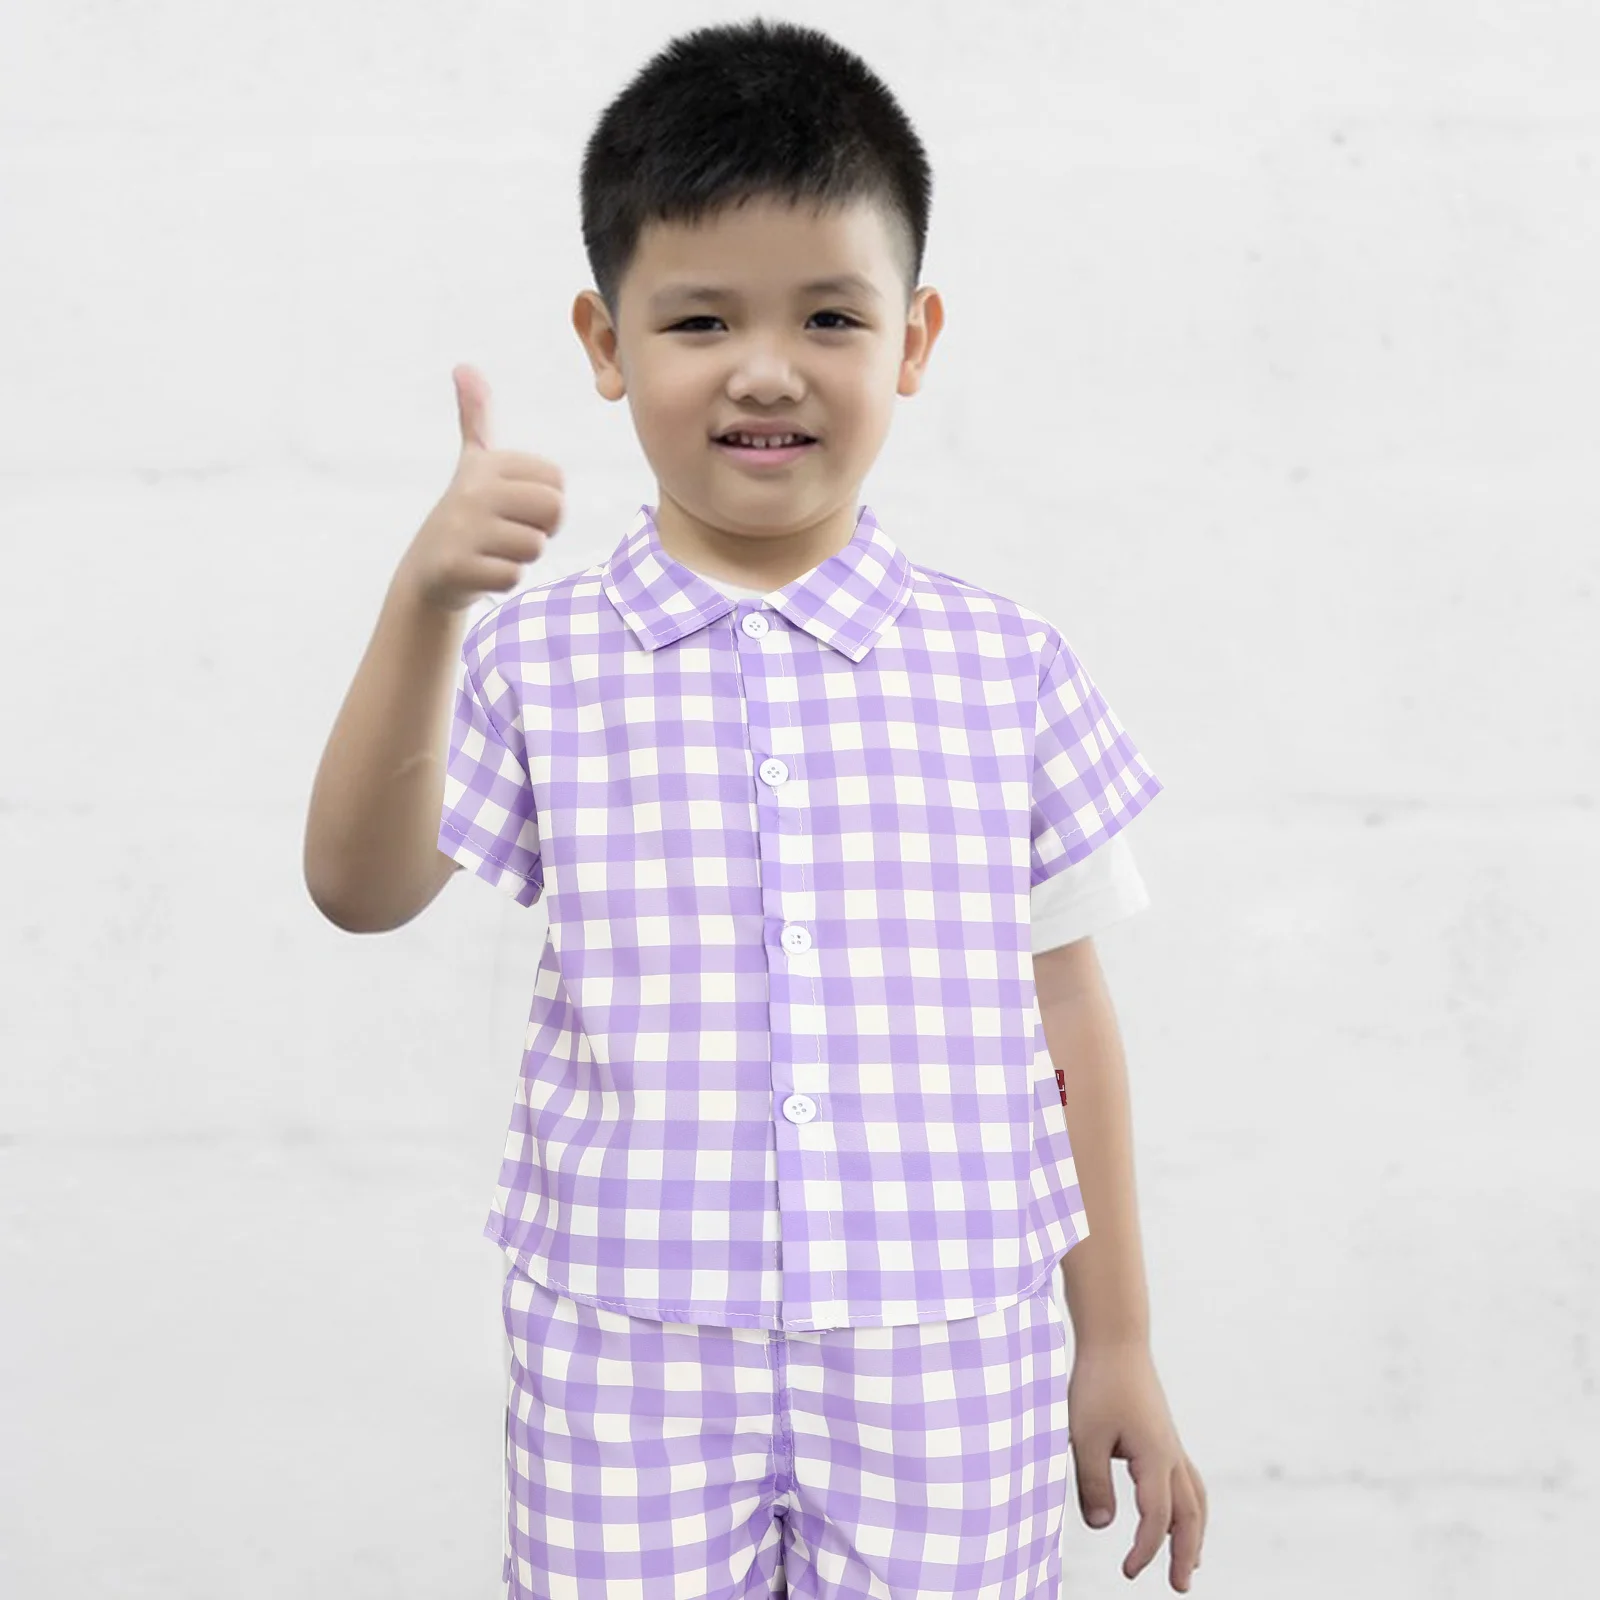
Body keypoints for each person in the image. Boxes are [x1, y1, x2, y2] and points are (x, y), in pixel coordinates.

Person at [305, 17, 1207, 1599]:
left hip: (948, 1356)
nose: (767, 369)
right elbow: (358, 890)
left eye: (832, 315)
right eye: (702, 317)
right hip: (625, 1357)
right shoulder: (534, 654)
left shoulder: (1007, 668)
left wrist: (1115, 1336)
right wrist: (426, 605)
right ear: (606, 343)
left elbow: (1068, 1019)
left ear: (914, 340)